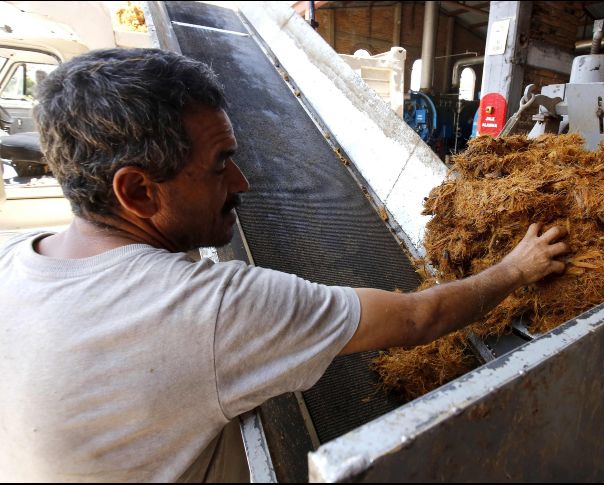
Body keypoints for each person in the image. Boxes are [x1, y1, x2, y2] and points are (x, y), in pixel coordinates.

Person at [0, 48, 569, 482]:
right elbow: (417, 321)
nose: (242, 183)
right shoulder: (210, 308)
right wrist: (517, 268)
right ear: (139, 193)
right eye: (221, 164)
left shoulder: (13, 260)